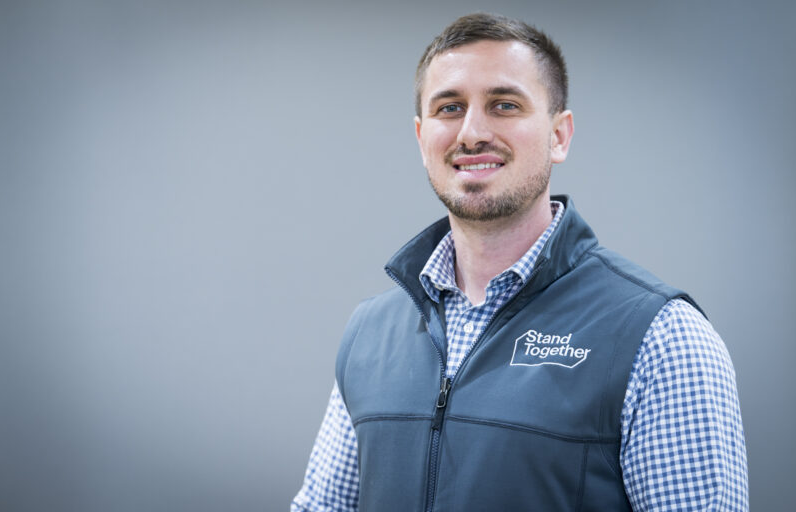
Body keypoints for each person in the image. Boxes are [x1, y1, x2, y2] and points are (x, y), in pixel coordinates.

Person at [292, 13, 748, 512]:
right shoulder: (369, 334)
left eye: (504, 105)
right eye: (450, 108)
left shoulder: (660, 337)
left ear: (559, 136)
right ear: (422, 139)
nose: (472, 133)